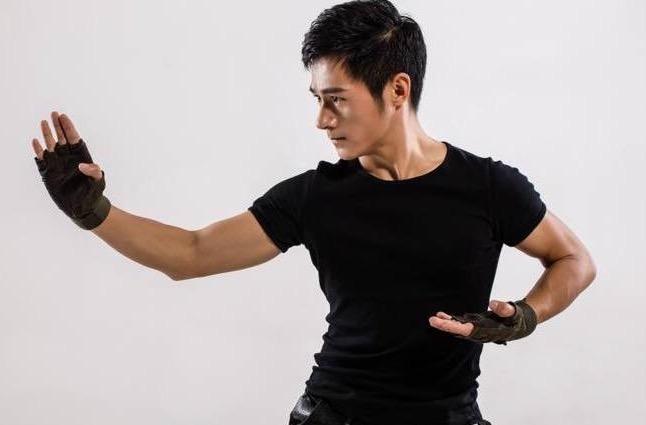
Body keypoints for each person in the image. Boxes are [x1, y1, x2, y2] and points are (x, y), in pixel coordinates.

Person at [30, 1, 596, 424]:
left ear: (397, 90)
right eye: (317, 100)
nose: (322, 120)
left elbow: (574, 261)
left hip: (451, 417)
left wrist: (525, 316)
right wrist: (94, 211)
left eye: (336, 100)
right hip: (335, 414)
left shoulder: (488, 187)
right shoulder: (315, 197)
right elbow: (190, 254)